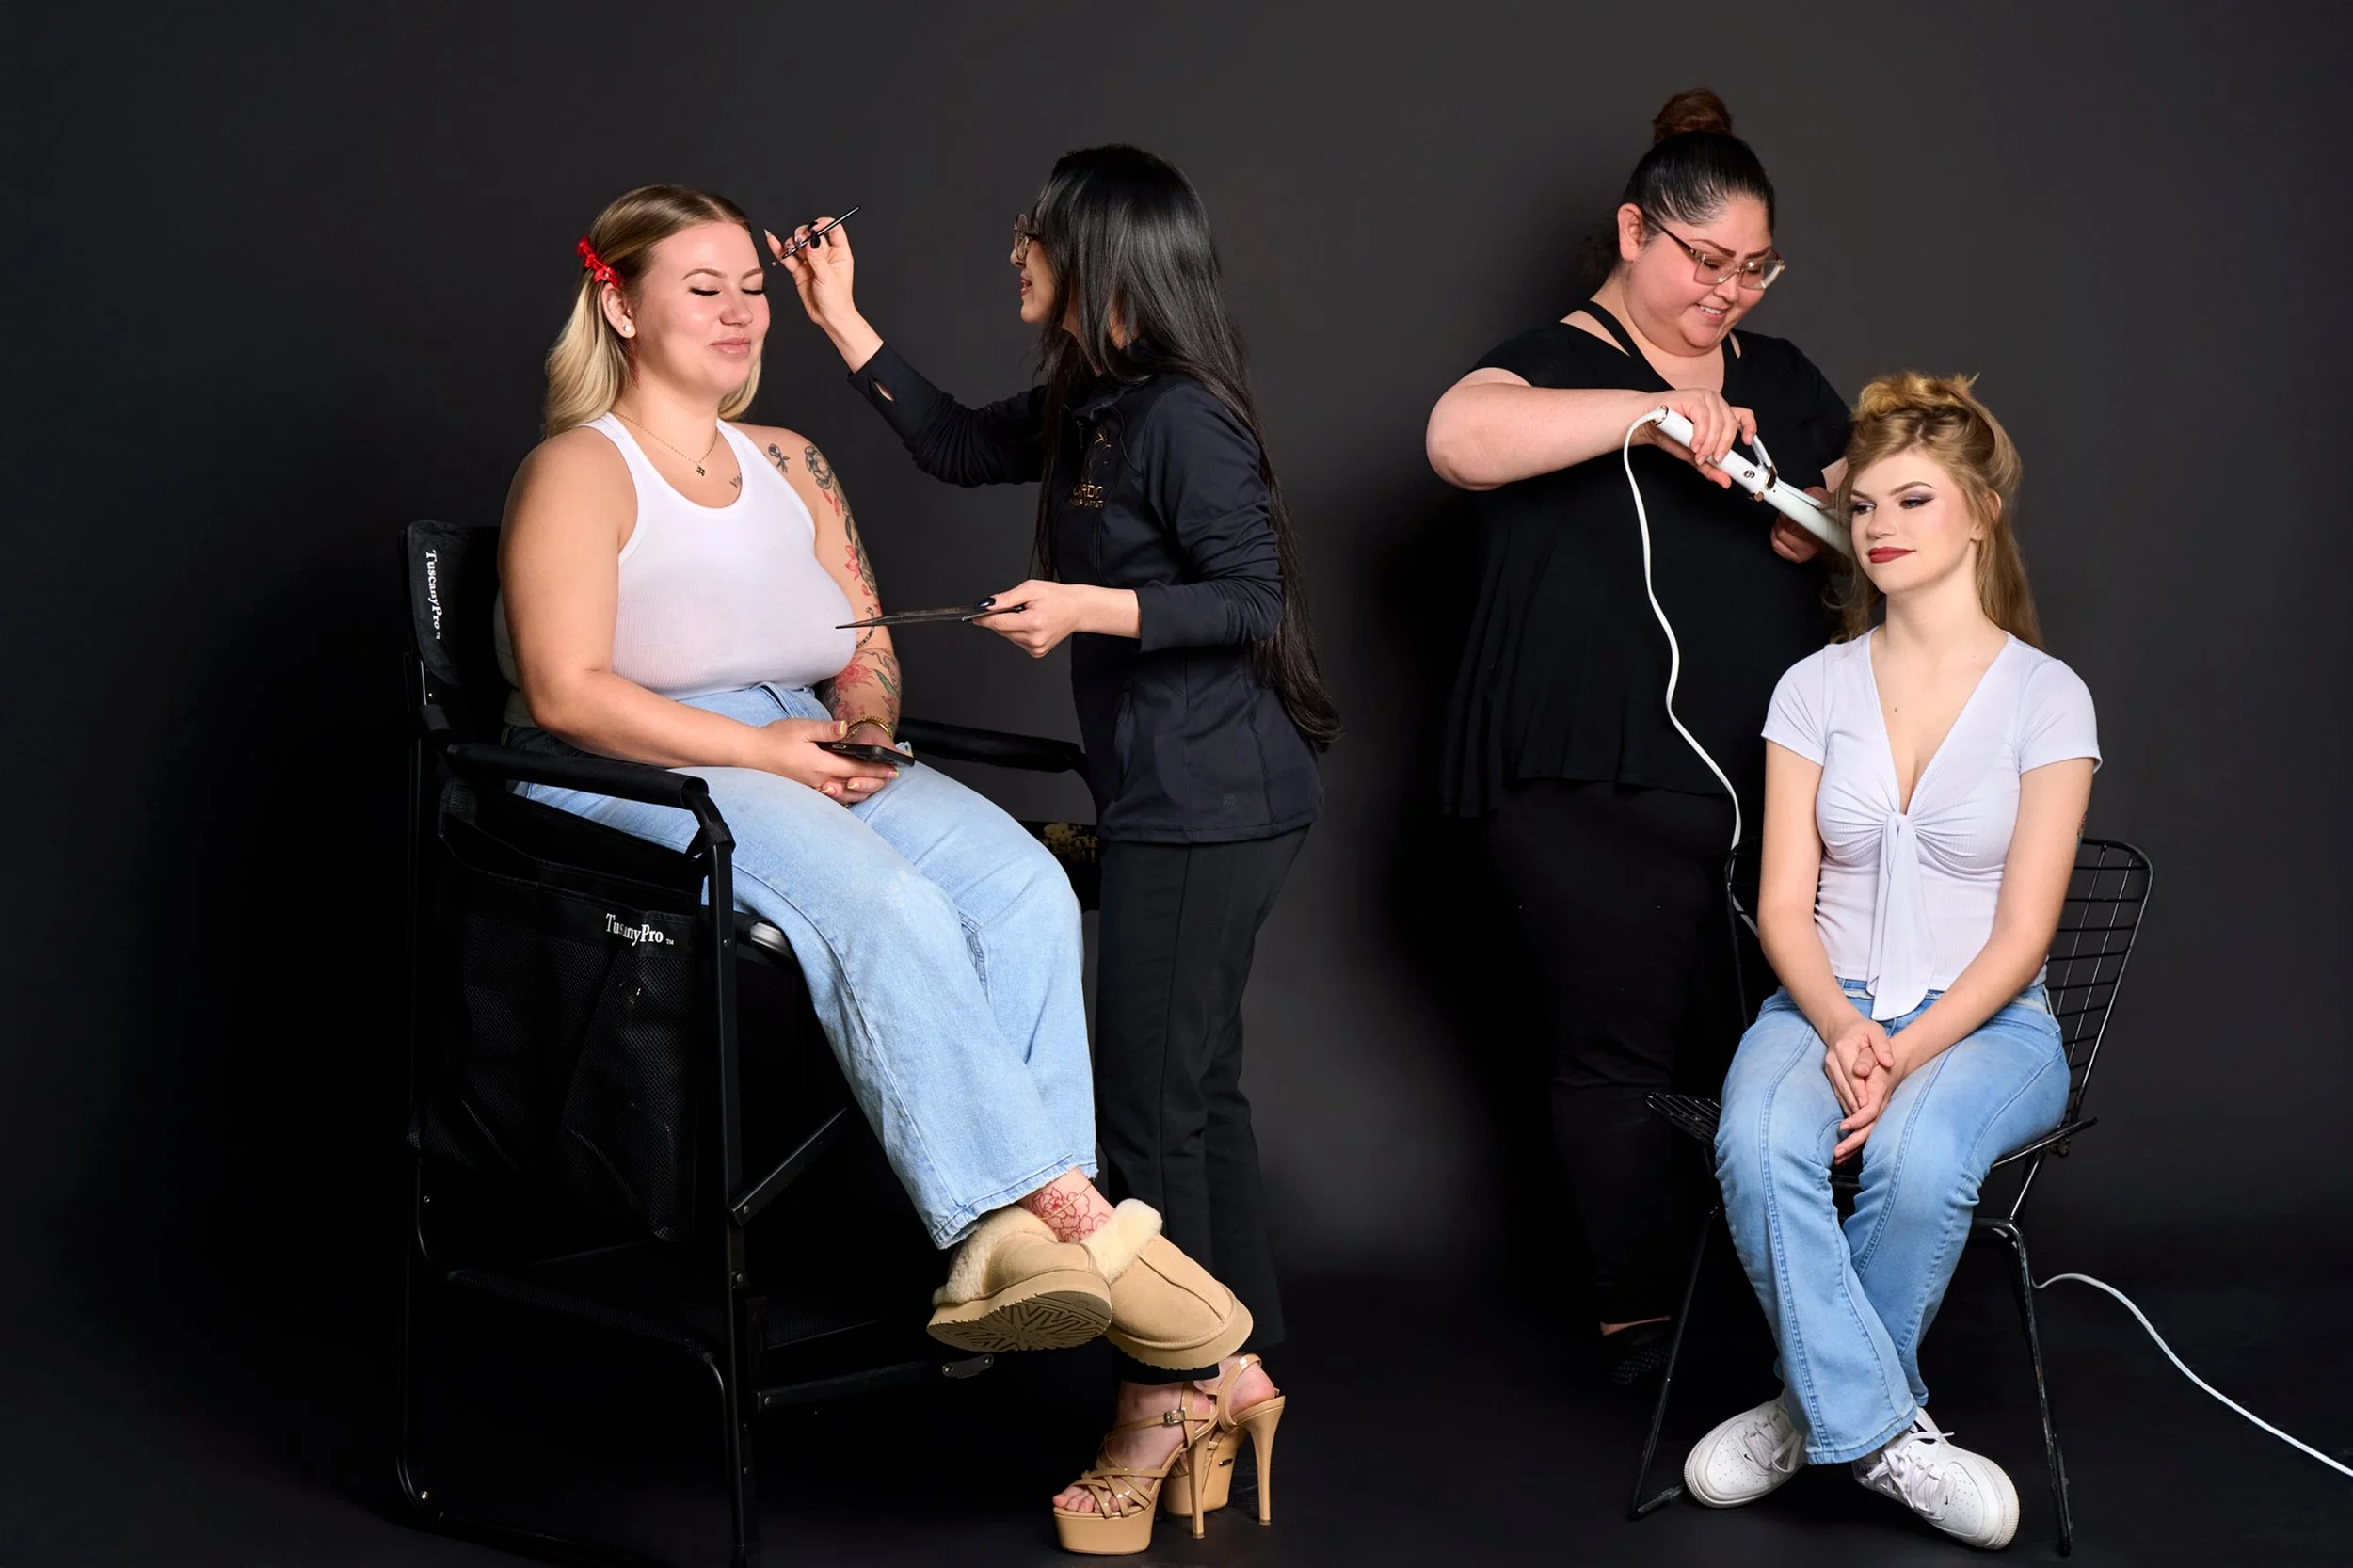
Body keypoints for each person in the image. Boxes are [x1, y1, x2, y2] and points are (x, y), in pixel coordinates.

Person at [489, 184, 1256, 1440]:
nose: (740, 312)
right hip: (640, 757)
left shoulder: (790, 459)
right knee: (886, 901)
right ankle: (1067, 1229)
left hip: (796, 733)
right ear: (619, 307)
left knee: (1020, 884)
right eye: (703, 288)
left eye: (752, 288)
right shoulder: (579, 468)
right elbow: (569, 691)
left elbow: (863, 640)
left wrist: (856, 728)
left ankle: (1021, 1257)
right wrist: (759, 750)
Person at [775, 145, 1336, 1554]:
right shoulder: (1094, 400)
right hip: (1179, 796)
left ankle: (1163, 1401)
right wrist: (842, 319)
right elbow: (961, 444)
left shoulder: (1182, 416)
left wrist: (1085, 608)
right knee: (1196, 1099)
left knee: (1147, 1116)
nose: (1014, 249)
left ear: (1098, 254)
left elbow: (1252, 599)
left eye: (1035, 232)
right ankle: (1233, 1367)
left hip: (1211, 803)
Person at [1424, 88, 1852, 1384]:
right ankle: (1640, 1325)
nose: (1729, 291)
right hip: (1586, 777)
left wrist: (1833, 513)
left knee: (1776, 1043)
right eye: (1706, 259)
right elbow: (1457, 439)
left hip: (1767, 780)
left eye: (1754, 268)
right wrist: (1650, 416)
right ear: (1633, 232)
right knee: (1615, 1052)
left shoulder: (1783, 378)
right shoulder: (1553, 362)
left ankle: (1789, 1311)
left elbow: (1888, 505)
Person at [1683, 372, 2097, 1551]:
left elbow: (2022, 936)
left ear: (1980, 514)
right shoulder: (1811, 688)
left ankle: (1798, 1411)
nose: (1878, 527)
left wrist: (1904, 1054)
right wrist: (1839, 1024)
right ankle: (1878, 1432)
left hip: (1991, 1021)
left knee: (1918, 1160)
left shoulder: (2045, 698)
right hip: (1825, 1000)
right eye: (1862, 506)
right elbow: (1781, 903)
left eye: (1913, 500)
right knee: (1755, 1141)